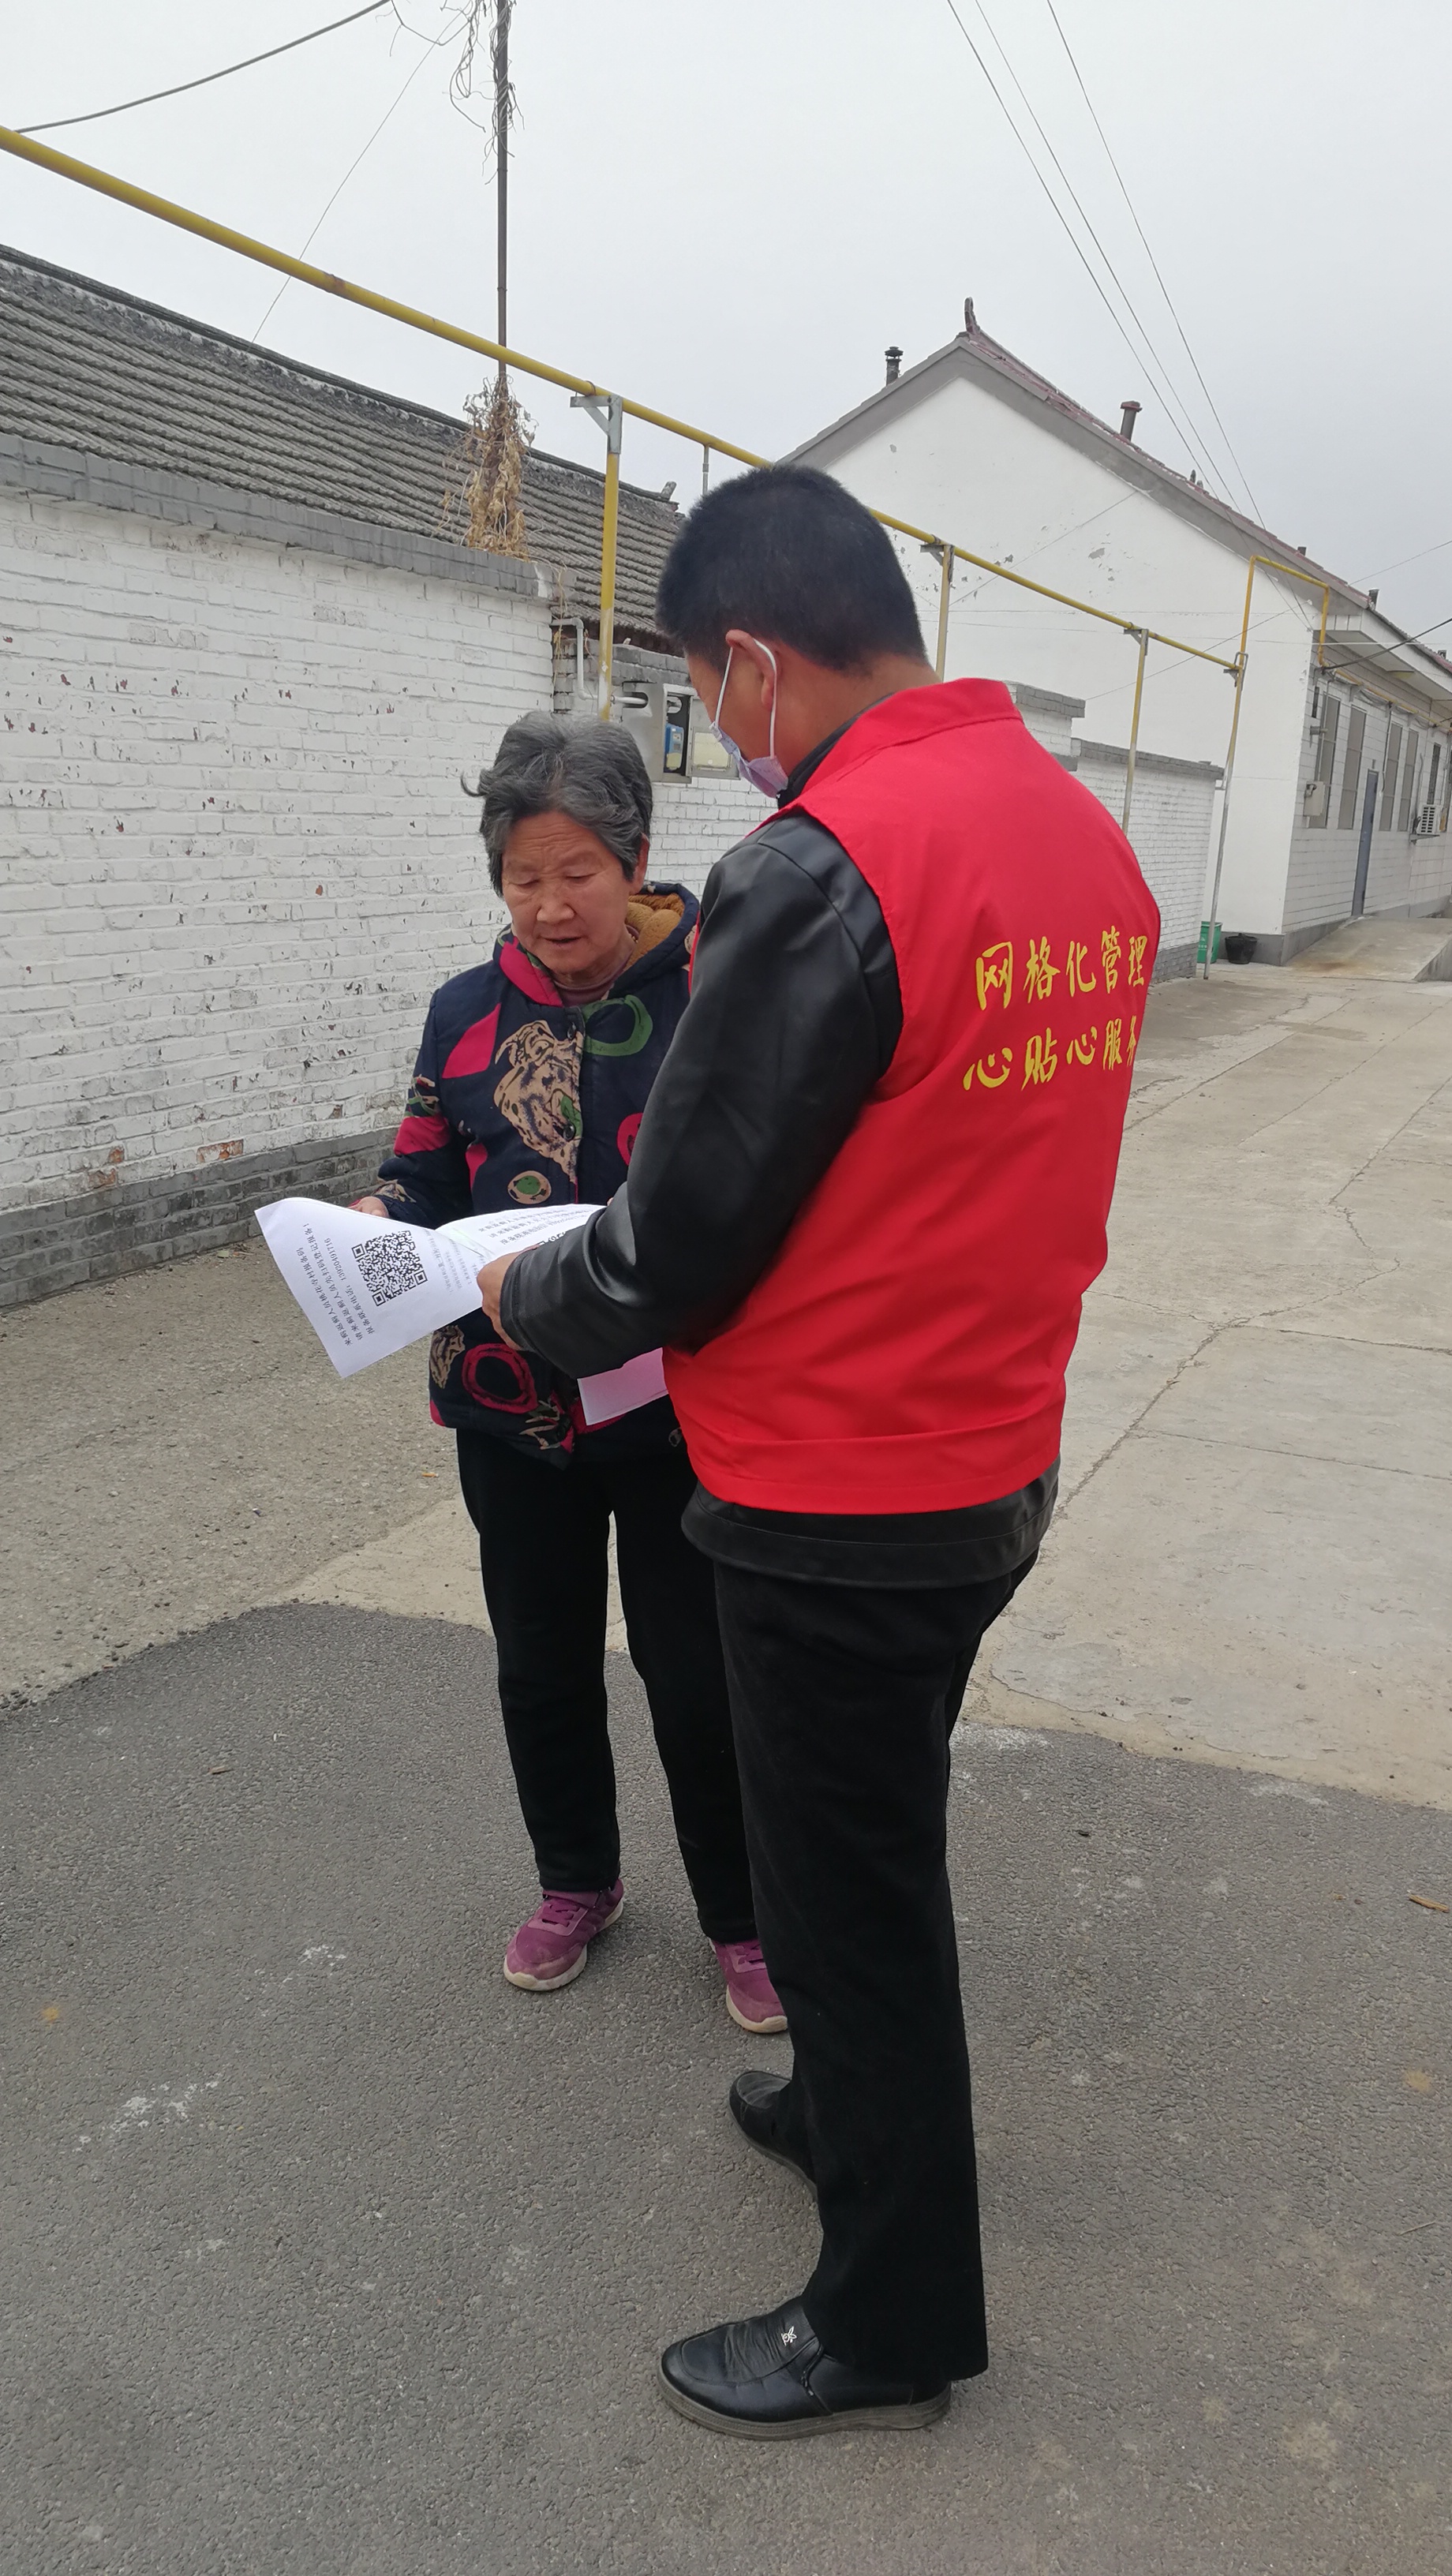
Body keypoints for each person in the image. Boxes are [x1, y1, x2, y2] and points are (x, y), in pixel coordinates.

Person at [476, 466, 1160, 2438]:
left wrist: (520, 1292)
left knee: (846, 1898)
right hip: (989, 1455)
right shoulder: (1075, 834)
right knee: (869, 1842)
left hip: (833, 1492)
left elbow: (677, 1236)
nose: (723, 732)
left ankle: (886, 2317)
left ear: (756, 661)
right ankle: (842, 2107)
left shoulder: (825, 865)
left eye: (709, 693)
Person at [355, 713, 784, 2038]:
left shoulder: (717, 992)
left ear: (637, 859)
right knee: (541, 1664)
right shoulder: (464, 1012)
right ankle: (575, 1883)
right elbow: (424, 1166)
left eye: (577, 873)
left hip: (678, 1413)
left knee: (694, 1674)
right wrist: (380, 1218)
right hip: (512, 1407)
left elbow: (764, 1184)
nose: (549, 907)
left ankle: (742, 1916)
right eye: (522, 879)